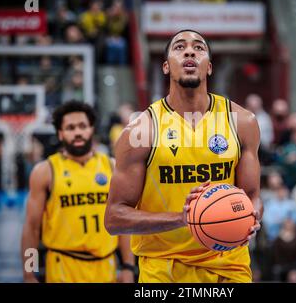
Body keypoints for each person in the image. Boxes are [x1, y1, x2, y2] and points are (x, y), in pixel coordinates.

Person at [105, 29, 262, 283]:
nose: (190, 51)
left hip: (229, 266)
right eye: (179, 47)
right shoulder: (141, 130)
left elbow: (252, 195)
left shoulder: (242, 122)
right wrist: (183, 218)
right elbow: (114, 218)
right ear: (166, 67)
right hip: (164, 269)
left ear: (209, 67)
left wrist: (250, 216)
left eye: (199, 47)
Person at [21, 101, 134, 283]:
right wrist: (29, 273)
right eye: (70, 127)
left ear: (91, 129)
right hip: (62, 268)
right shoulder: (45, 171)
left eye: (83, 126)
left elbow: (124, 224)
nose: (78, 132)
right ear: (60, 133)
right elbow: (31, 228)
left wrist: (128, 267)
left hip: (106, 267)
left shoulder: (112, 166)